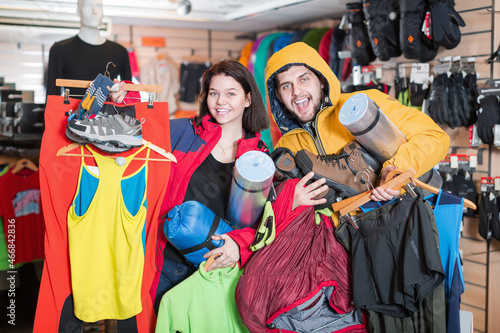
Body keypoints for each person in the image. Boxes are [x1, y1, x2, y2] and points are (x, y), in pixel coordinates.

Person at [112, 59, 269, 312]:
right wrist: (126, 94)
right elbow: (146, 120)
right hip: (168, 262)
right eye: (214, 93)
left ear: (248, 99)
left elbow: (265, 222)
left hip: (218, 266)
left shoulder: (259, 156)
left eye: (231, 94)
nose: (220, 102)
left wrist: (239, 246)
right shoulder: (185, 132)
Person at [264, 42, 450, 213]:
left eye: (303, 79)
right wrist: (291, 202)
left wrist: (395, 172)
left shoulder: (362, 106)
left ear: (321, 80)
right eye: (286, 86)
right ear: (279, 96)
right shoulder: (286, 148)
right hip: (347, 245)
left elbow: (434, 137)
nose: (296, 92)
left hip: (405, 224)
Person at [45, 0, 131, 97]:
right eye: (88, 6)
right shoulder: (59, 50)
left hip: (109, 111)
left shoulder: (120, 52)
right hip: (72, 111)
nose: (95, 11)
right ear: (78, 11)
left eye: (98, 6)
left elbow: (130, 98)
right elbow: (52, 97)